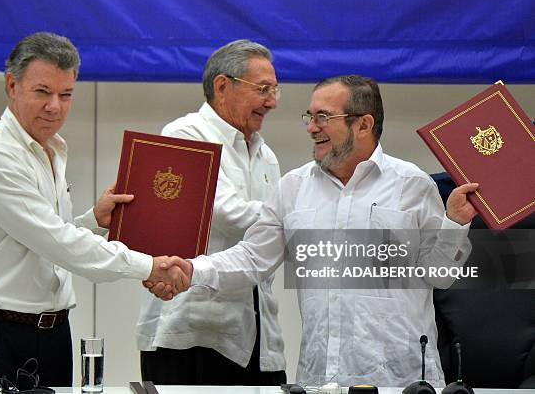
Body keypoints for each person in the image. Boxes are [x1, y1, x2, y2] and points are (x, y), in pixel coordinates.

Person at [152, 75, 479, 386]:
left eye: (323, 117)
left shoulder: (413, 185)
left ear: (363, 124)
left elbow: (440, 276)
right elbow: (252, 258)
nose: (310, 127)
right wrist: (192, 269)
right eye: (309, 116)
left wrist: (456, 223)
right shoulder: (293, 188)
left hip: (400, 379)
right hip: (321, 379)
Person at [0, 32, 189, 387]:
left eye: (66, 94)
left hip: (50, 335)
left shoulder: (51, 149)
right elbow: (56, 241)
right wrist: (149, 266)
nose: (55, 106)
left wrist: (93, 221)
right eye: (43, 91)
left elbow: (43, 244)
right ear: (12, 85)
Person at [137, 40, 287, 385]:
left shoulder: (268, 157)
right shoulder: (185, 135)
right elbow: (228, 215)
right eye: (263, 89)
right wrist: (296, 213)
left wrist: (286, 221)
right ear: (223, 86)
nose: (272, 102)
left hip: (258, 335)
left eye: (275, 90)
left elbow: (269, 242)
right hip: (189, 332)